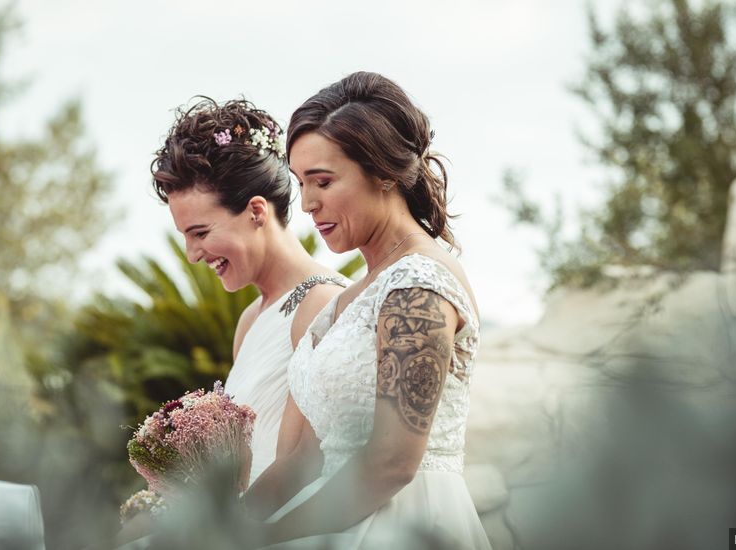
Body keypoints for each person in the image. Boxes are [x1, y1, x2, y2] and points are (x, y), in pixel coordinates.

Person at [245, 72, 491, 549]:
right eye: (300, 183)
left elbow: (392, 463)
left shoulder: (418, 286)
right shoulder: (345, 301)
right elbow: (303, 459)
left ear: (384, 173)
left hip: (405, 524)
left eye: (323, 180)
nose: (308, 204)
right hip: (329, 518)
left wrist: (268, 538)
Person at [149, 97, 348, 487]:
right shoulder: (249, 321)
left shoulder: (325, 304)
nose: (192, 255)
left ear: (257, 212)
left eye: (201, 233)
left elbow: (308, 463)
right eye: (185, 238)